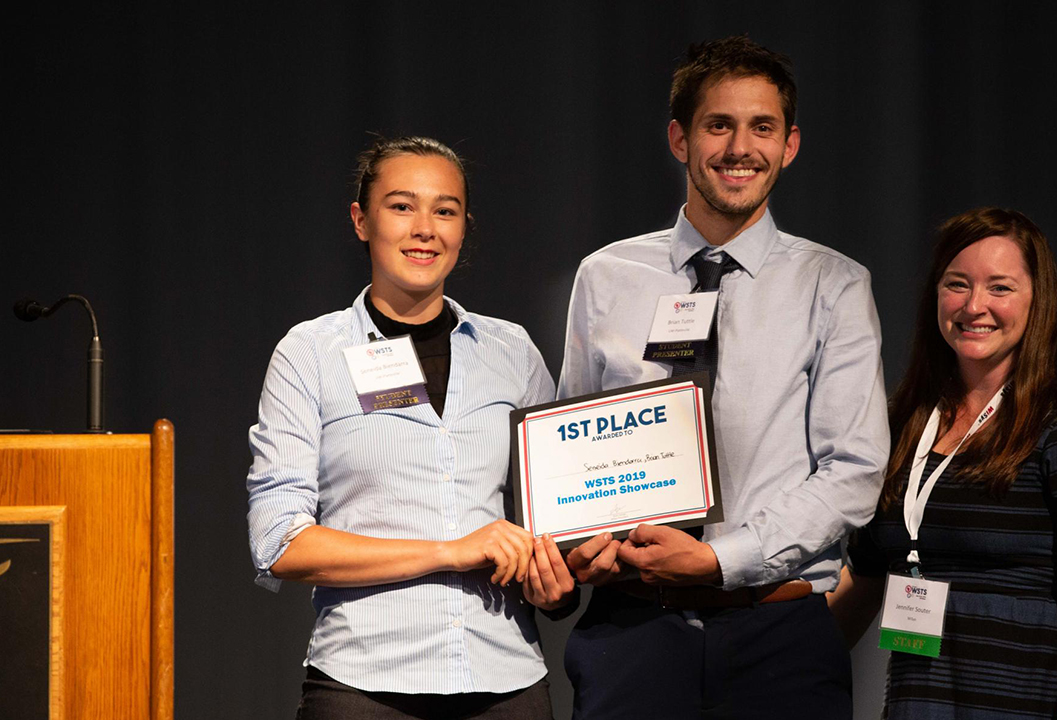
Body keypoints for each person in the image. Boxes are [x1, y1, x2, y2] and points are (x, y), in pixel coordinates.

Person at [557, 36, 890, 719]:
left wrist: (720, 559)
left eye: (761, 127)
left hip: (779, 637)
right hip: (631, 632)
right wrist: (576, 539)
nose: (740, 147)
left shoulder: (834, 284)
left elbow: (854, 469)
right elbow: (572, 451)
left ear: (789, 145)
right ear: (680, 138)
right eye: (719, 125)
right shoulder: (605, 277)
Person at [245, 136, 575, 720]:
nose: (425, 228)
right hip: (363, 686)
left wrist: (554, 579)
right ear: (360, 220)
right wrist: (449, 551)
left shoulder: (512, 352)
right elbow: (280, 541)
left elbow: (552, 518)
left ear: (463, 228)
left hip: (507, 683)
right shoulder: (311, 352)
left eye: (444, 210)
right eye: (402, 206)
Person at [828, 207, 1057, 718]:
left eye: (1000, 288)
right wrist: (776, 667)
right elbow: (870, 572)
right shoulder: (903, 425)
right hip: (929, 702)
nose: (974, 305)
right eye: (957, 284)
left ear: (1037, 302)